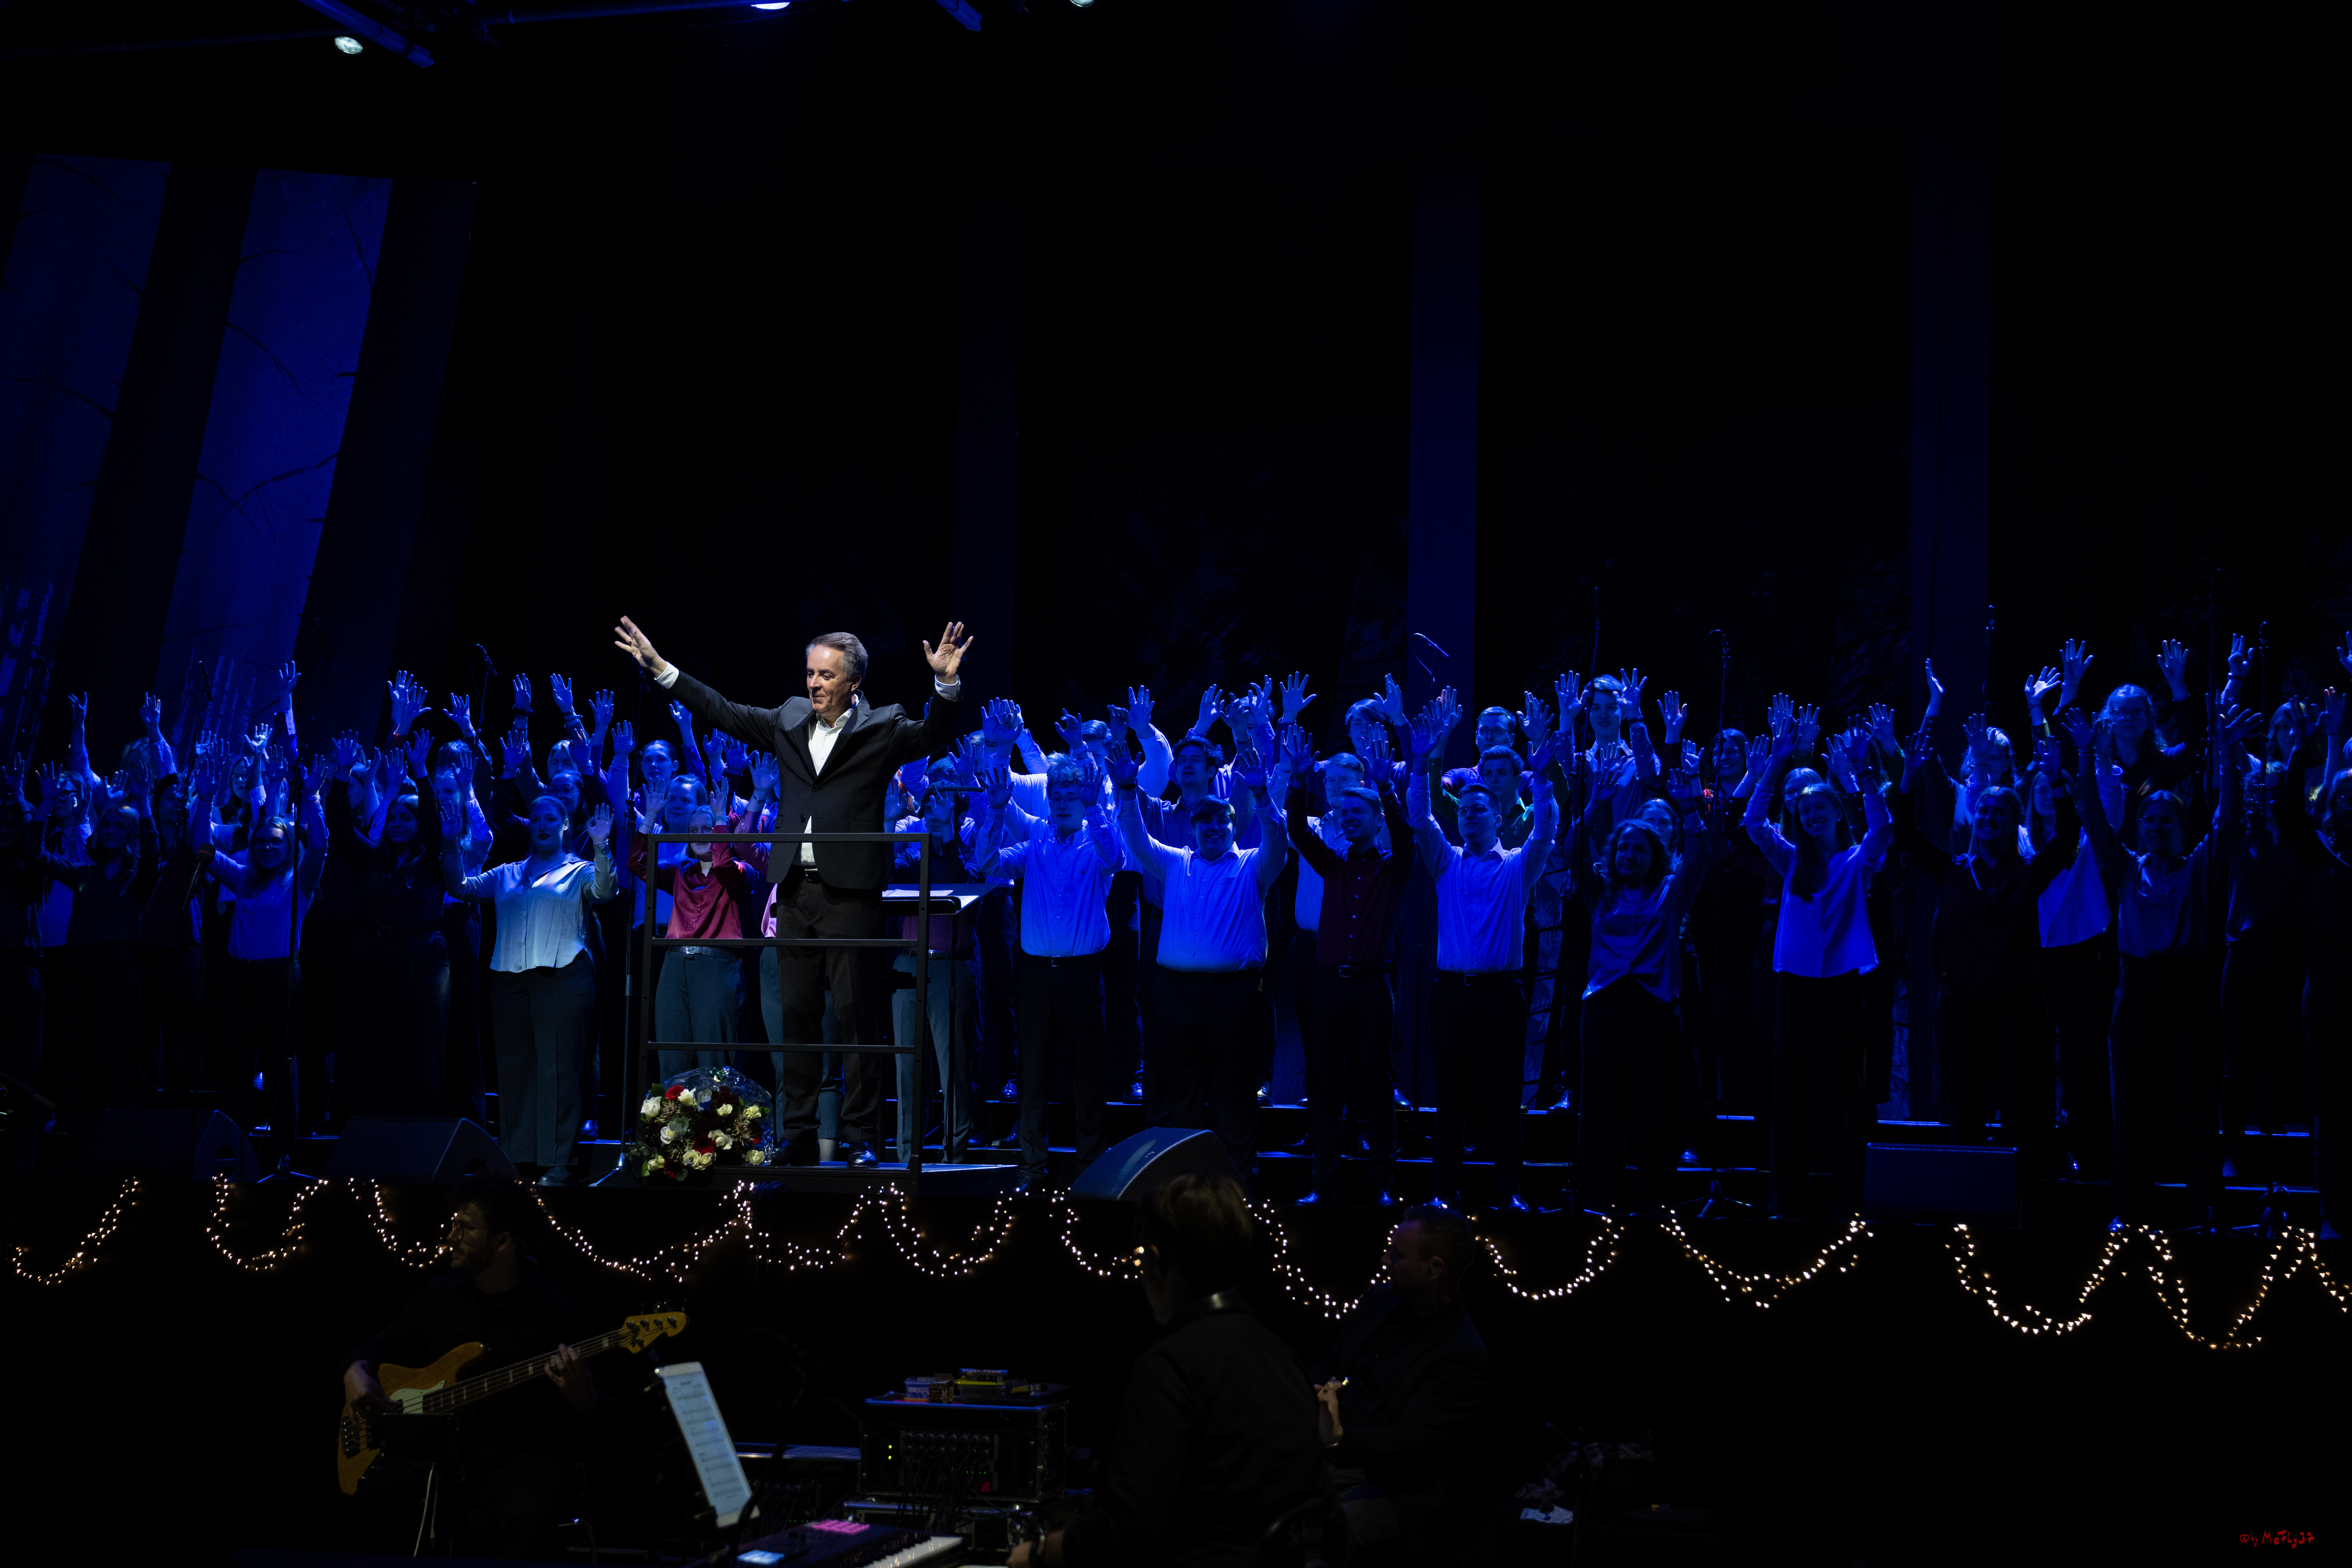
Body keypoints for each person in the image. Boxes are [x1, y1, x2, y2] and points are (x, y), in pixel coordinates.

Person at [615, 617, 971, 1168]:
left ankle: (860, 1137)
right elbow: (722, 710)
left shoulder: (881, 726)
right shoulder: (788, 718)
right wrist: (663, 670)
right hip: (793, 892)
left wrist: (945, 686)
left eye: (826, 675)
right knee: (796, 1018)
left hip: (850, 893)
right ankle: (798, 1133)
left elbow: (933, 734)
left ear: (853, 681)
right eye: (810, 673)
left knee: (855, 1016)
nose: (814, 683)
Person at [1006, 1173, 1328, 1568]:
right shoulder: (1283, 1359)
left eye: (1142, 1257)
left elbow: (1128, 1528)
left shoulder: (1169, 1368)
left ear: (1158, 1260)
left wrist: (1040, 1553)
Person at [342, 1174, 608, 1560]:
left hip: (519, 1458)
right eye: (453, 1225)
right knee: (374, 1499)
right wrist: (355, 1370)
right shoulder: (439, 1296)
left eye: (464, 1229)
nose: (450, 1237)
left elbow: (599, 1413)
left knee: (533, 1512)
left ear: (502, 1242)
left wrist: (582, 1397)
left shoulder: (556, 1314)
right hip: (434, 1453)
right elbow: (375, 1346)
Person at [2064, 704, 2251, 1227]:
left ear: (2179, 826)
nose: (2154, 827)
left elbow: (2228, 819)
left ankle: (2204, 1206)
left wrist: (2228, 752)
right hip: (2137, 988)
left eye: (2164, 820)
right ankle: (2127, 1206)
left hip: (2187, 988)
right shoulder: (2124, 868)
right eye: (2147, 820)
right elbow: (2093, 814)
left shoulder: (2197, 865)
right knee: (2130, 1097)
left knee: (2195, 1097)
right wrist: (2084, 751)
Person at [1407, 694, 1559, 1211]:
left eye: (1480, 808)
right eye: (1465, 809)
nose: (1471, 814)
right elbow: (1420, 816)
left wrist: (1538, 772)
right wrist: (1424, 756)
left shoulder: (1517, 866)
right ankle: (1442, 1192)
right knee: (1449, 1096)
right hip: (1450, 993)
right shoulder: (1444, 862)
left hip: (1500, 995)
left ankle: (1509, 1191)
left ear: (1497, 813)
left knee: (1501, 1095)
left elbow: (1544, 831)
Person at [1112, 735, 1287, 1184]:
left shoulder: (1253, 865)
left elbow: (1278, 838)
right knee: (1182, 1093)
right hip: (1176, 994)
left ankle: (1235, 1184)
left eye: (1220, 823)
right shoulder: (1175, 862)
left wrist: (1263, 794)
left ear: (1233, 826)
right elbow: (1135, 838)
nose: (1212, 830)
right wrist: (1128, 791)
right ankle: (1184, 1182)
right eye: (1204, 824)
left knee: (1233, 1094)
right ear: (1192, 829)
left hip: (1234, 997)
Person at [1744, 726, 1889, 1219]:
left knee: (1840, 1089)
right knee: (1789, 1088)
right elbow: (1752, 823)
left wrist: (1860, 773)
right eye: (1803, 811)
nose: (1810, 815)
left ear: (1834, 813)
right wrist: (1774, 763)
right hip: (1796, 983)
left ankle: (1849, 1201)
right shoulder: (1789, 860)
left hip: (1842, 985)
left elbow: (1882, 830)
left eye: (1819, 809)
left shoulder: (1854, 861)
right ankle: (1786, 1202)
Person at [439, 795, 618, 1184]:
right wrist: (451, 842)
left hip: (563, 975)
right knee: (515, 1070)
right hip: (509, 979)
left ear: (565, 825)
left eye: (550, 819)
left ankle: (558, 1162)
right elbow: (460, 887)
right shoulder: (508, 873)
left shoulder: (578, 870)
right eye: (535, 819)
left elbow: (605, 891)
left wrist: (602, 844)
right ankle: (517, 1159)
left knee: (556, 1068)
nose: (541, 825)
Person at [1575, 718, 1715, 1213]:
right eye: (1624, 848)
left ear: (1655, 853)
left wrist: (1690, 807)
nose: (1630, 853)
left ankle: (1657, 1203)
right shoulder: (1599, 893)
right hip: (1605, 1005)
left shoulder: (1670, 893)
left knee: (1654, 1108)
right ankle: (1596, 1199)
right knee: (1600, 1105)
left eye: (1640, 847)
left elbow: (1698, 855)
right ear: (1613, 856)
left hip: (1655, 1008)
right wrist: (1593, 800)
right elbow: (1580, 843)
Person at [1309, 1207, 1489, 1561]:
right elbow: (1329, 1365)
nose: (1385, 1259)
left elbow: (1404, 1445)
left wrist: (1338, 1437)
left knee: (1315, 1534)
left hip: (1395, 1488)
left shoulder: (1462, 1355)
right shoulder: (1380, 1301)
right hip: (1335, 1457)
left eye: (1396, 1255)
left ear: (1434, 1269)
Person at [1282, 725, 1415, 1205]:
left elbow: (1405, 838)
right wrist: (1298, 782)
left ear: (1376, 820)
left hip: (1372, 989)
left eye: (1359, 813)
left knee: (1377, 1086)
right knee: (1326, 1086)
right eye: (1344, 813)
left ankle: (1383, 1187)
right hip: (1327, 987)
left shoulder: (1392, 867)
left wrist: (1384, 786)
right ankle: (1324, 1187)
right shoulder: (1331, 864)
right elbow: (1297, 830)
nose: (1349, 818)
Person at [979, 754, 1123, 1190]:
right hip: (1037, 976)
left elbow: (1115, 858)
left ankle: (1090, 1167)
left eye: (1071, 796)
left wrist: (1095, 806)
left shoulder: (1097, 838)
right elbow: (987, 865)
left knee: (1088, 1075)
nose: (1063, 803)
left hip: (1081, 974)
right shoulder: (1036, 840)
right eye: (1056, 796)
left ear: (1085, 799)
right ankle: (1031, 1167)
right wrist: (997, 809)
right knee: (1033, 1073)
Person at [629, 804, 760, 1082]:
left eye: (708, 828)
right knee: (671, 1058)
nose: (701, 834)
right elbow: (638, 863)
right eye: (694, 830)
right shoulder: (681, 871)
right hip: (675, 965)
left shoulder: (743, 870)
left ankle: (716, 1125)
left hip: (717, 966)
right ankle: (671, 1125)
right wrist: (650, 817)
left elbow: (724, 865)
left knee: (715, 1063)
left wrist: (722, 823)